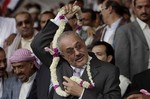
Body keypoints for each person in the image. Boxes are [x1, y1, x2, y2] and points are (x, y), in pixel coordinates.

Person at [31, 4, 121, 99]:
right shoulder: (59, 65)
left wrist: (82, 93)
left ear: (84, 44)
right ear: (62, 55)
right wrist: (62, 18)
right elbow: (37, 44)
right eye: (69, 51)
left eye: (79, 46)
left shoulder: (109, 70)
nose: (77, 53)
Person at [114, 0, 150, 80]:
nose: (144, 11)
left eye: (147, 6)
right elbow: (121, 65)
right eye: (139, 7)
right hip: (138, 84)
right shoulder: (125, 31)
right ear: (134, 9)